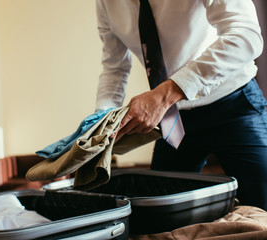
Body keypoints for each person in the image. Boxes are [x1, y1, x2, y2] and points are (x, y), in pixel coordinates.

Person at [95, 0, 267, 210]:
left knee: (262, 205)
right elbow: (115, 68)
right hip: (173, 119)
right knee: (160, 214)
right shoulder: (105, 3)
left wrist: (163, 95)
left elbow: (245, 35)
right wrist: (100, 124)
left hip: (234, 104)